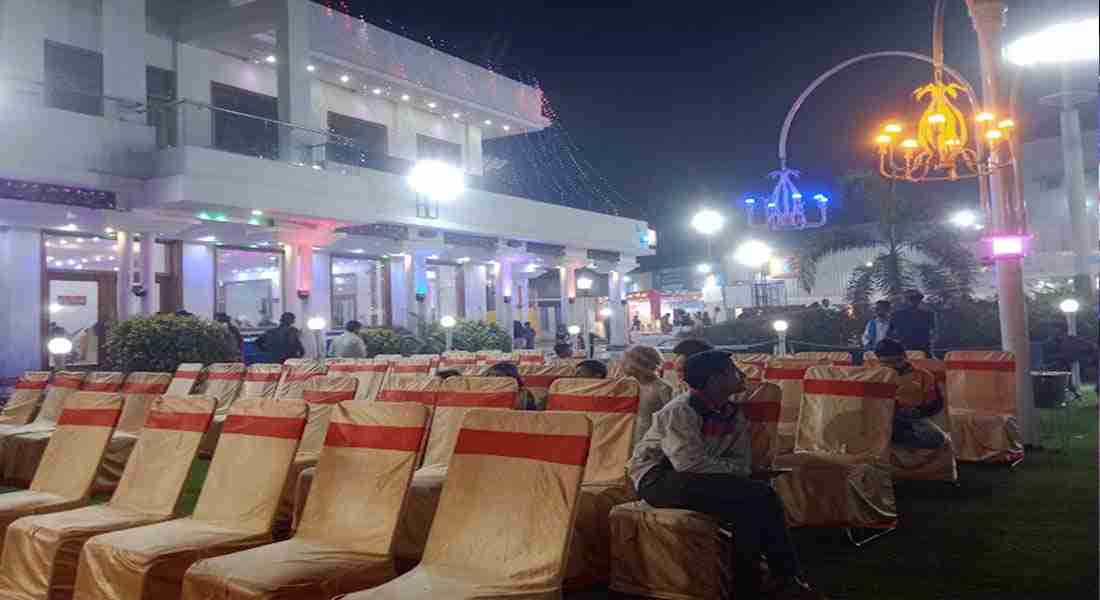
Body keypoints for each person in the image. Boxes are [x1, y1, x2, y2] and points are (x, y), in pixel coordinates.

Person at [628, 350, 823, 599]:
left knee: (747, 507)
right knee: (760, 494)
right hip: (657, 478)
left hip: (700, 478)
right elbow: (690, 464)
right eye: (733, 371)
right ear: (714, 381)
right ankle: (784, 578)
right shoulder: (680, 411)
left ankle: (751, 586)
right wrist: (742, 473)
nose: (741, 375)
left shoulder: (731, 412)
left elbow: (740, 458)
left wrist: (739, 471)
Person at [874, 339, 948, 449]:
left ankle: (893, 442)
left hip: (911, 419)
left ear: (905, 357)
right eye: (887, 363)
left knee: (936, 438)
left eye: (898, 361)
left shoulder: (924, 376)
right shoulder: (874, 375)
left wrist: (918, 411)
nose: (894, 366)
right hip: (879, 418)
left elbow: (936, 404)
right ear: (879, 361)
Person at [622, 345, 675, 446]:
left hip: (652, 446)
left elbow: (671, 422)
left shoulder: (663, 388)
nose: (622, 365)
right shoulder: (628, 387)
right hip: (630, 444)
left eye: (626, 362)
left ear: (638, 363)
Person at [890, 290, 935, 356]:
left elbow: (933, 331)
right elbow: (891, 333)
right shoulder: (896, 315)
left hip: (923, 349)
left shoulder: (928, 314)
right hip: (904, 349)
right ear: (905, 300)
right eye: (911, 299)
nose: (914, 301)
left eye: (917, 299)